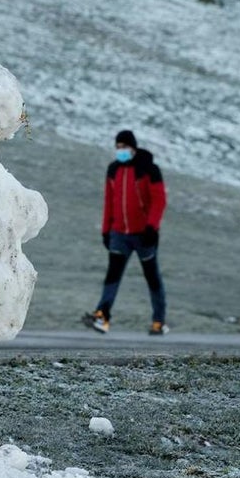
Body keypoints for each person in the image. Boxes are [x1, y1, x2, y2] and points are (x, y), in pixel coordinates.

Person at [83, 130, 168, 335]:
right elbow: (109, 201)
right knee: (112, 276)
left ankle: (158, 321)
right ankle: (102, 317)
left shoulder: (149, 169)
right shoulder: (113, 170)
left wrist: (152, 227)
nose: (120, 150)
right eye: (118, 147)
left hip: (144, 235)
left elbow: (159, 200)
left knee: (152, 277)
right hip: (119, 234)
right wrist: (106, 230)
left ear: (133, 147)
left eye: (124, 147)